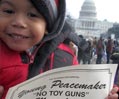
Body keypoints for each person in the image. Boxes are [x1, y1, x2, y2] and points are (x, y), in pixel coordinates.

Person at [0, 0, 118, 99]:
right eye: (8, 11)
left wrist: (99, 95)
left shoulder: (66, 57)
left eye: (32, 15)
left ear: (49, 26)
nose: (19, 23)